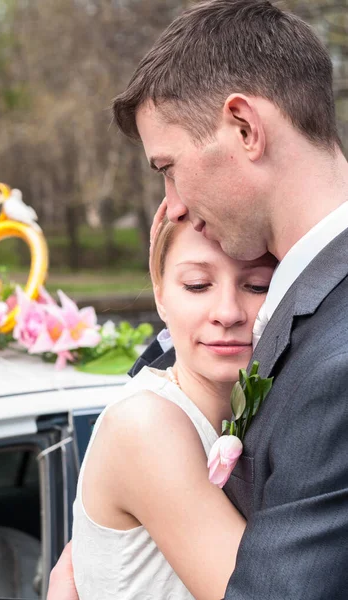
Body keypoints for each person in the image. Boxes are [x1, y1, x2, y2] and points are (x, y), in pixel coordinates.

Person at [49, 1, 348, 598]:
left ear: (243, 127)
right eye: (194, 284)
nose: (175, 203)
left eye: (169, 166)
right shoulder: (301, 308)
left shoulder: (335, 359)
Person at [72, 216, 275, 600]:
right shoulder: (146, 425)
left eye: (256, 285)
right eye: (197, 285)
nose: (228, 312)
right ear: (160, 295)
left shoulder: (254, 411)